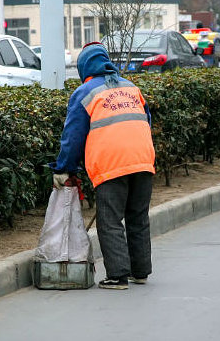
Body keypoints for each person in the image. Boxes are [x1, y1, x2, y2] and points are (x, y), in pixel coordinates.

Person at [50, 42, 156, 289]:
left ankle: (118, 276)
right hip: (143, 160)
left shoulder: (85, 92)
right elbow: (146, 121)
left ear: (84, 67)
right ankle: (140, 271)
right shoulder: (131, 88)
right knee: (138, 216)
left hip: (112, 163)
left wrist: (64, 168)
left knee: (109, 219)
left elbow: (73, 136)